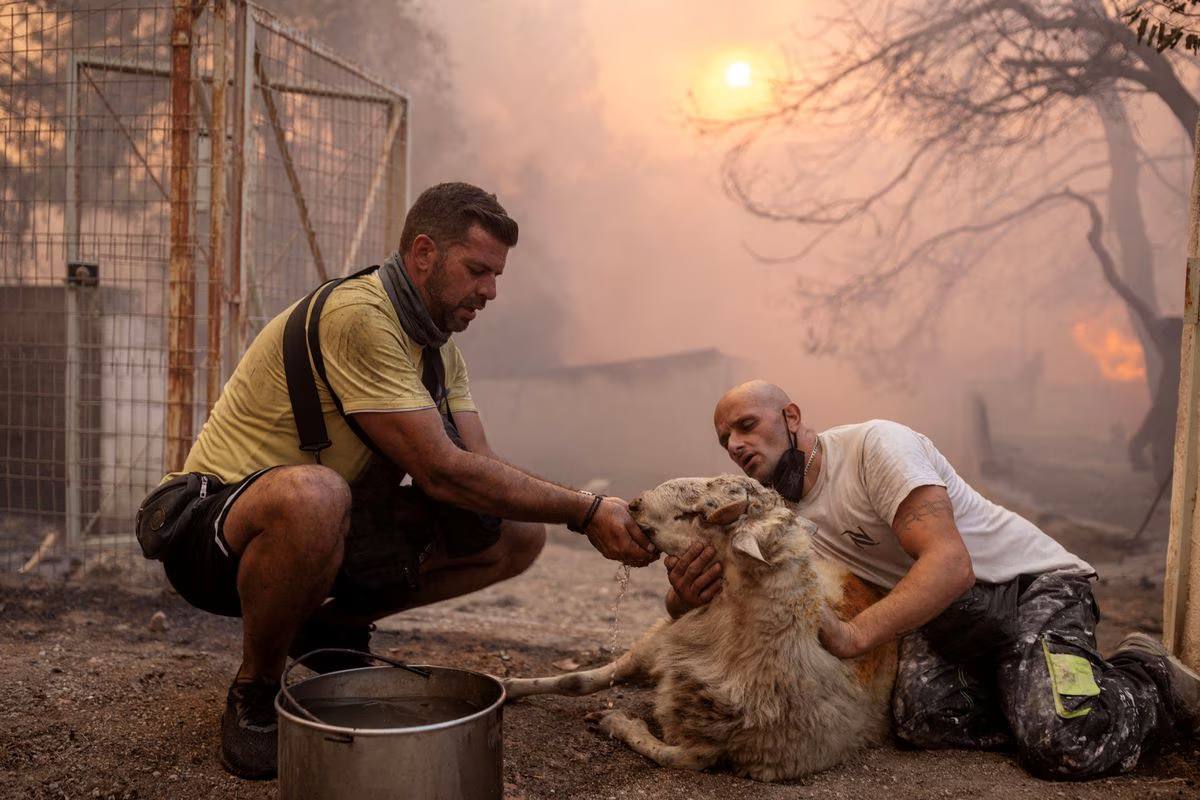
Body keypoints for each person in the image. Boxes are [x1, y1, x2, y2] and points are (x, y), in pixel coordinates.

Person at [135, 182, 657, 779]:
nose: (489, 292)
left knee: (516, 534)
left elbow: (479, 467)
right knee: (316, 492)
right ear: (424, 253)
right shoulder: (360, 316)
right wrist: (587, 511)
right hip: (215, 535)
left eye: (496, 277)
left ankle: (327, 629)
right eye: (478, 270)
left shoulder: (439, 349)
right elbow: (441, 470)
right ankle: (255, 688)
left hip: (322, 533)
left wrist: (589, 510)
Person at [663, 378, 1200, 780]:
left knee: (1062, 742)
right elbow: (728, 600)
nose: (734, 445)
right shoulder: (777, 515)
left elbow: (950, 565)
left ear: (792, 415)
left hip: (1029, 585)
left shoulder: (877, 447)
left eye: (746, 425)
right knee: (920, 721)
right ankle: (1030, 688)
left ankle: (1146, 676)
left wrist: (852, 636)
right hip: (949, 614)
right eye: (724, 439)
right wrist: (682, 599)